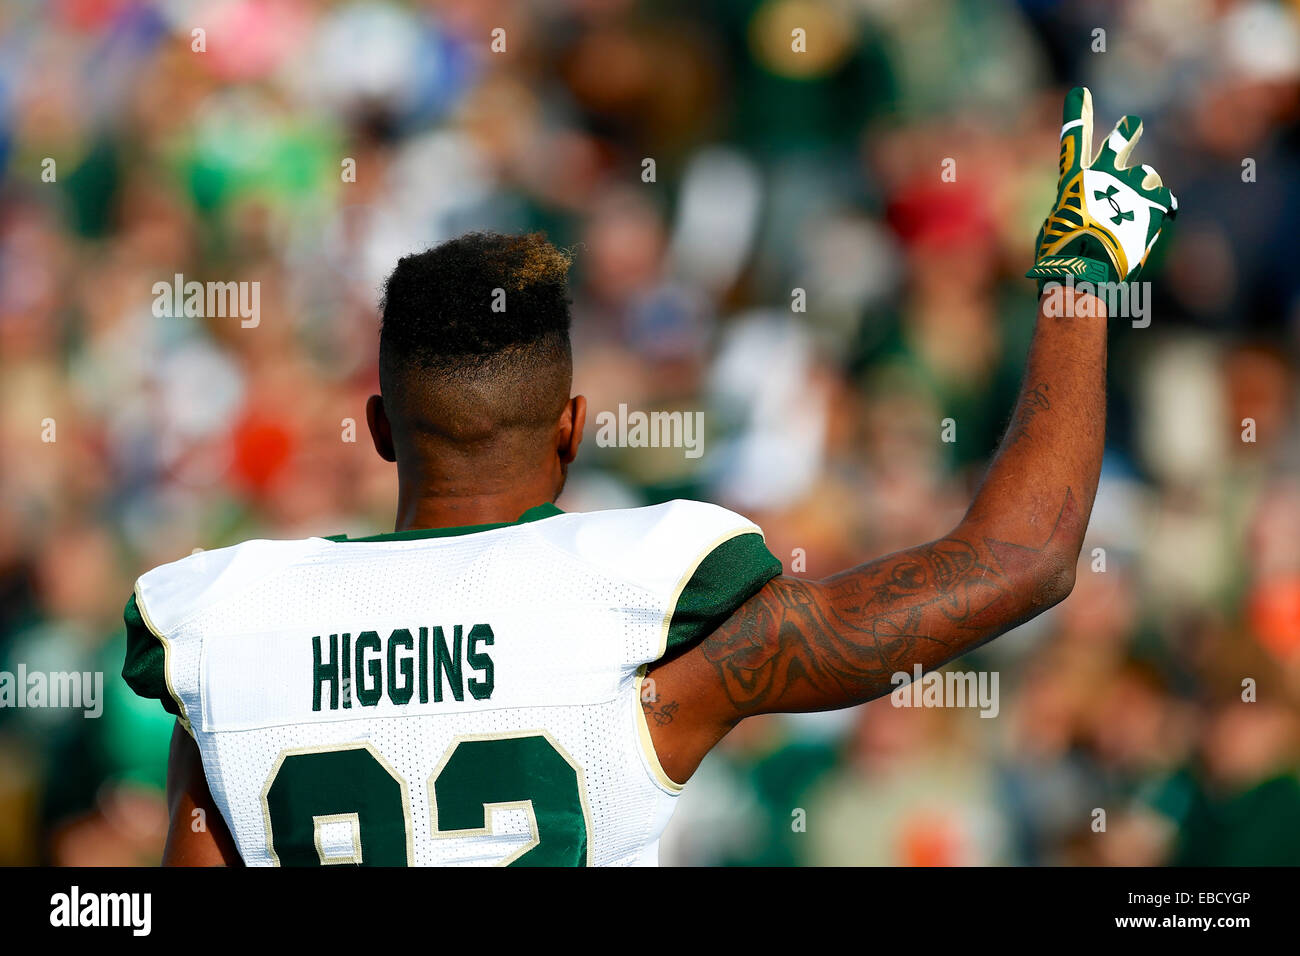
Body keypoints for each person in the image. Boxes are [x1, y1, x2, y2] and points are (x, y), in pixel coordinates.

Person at [122, 88, 1176, 866]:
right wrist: (1078, 279)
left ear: (378, 427)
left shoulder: (233, 622)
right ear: (572, 427)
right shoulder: (637, 598)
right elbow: (1023, 558)